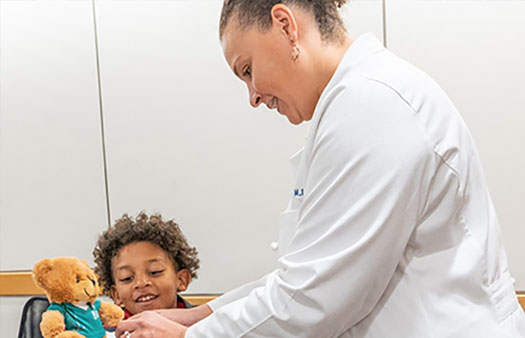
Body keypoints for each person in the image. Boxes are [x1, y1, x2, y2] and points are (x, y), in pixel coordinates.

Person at [116, 0, 525, 337]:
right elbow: (306, 274)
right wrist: (200, 316)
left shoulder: (373, 106)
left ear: (285, 25)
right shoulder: (355, 104)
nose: (254, 96)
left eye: (247, 70)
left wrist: (193, 335)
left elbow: (315, 300)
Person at [93, 212, 200, 319]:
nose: (141, 283)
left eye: (155, 272)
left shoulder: (205, 327)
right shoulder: (106, 333)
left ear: (181, 280)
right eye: (127, 278)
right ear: (116, 295)